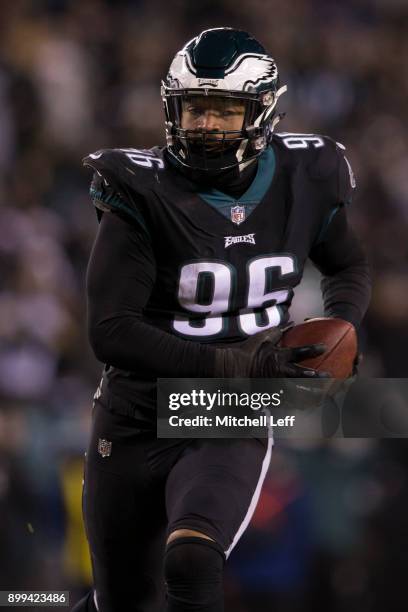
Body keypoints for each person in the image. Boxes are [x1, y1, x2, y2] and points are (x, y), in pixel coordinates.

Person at [72, 28, 371, 612]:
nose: (206, 125)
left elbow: (349, 265)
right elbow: (110, 329)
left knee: (191, 558)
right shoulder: (140, 187)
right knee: (123, 601)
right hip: (138, 408)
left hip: (231, 404)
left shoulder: (307, 174)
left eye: (223, 111)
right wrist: (232, 362)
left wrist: (344, 327)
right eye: (195, 108)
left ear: (261, 113)